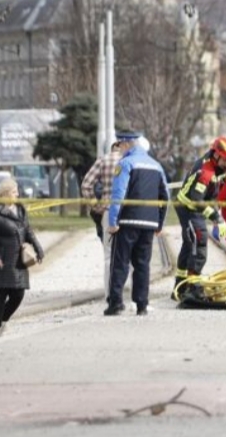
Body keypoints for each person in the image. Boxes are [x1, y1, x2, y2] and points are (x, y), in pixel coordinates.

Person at [104, 131, 169, 316]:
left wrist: (113, 221)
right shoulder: (157, 166)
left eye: (120, 146)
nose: (120, 149)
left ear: (126, 144)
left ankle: (115, 303)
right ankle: (142, 305)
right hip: (149, 223)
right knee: (142, 265)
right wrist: (160, 223)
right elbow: (165, 196)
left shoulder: (125, 164)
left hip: (127, 222)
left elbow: (119, 194)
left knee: (120, 263)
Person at [173, 136, 226, 294]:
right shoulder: (206, 171)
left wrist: (217, 214)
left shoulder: (218, 168)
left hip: (194, 207)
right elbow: (197, 200)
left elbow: (213, 194)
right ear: (216, 155)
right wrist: (216, 219)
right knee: (198, 244)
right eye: (225, 159)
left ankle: (179, 287)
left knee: (188, 245)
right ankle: (193, 287)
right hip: (189, 207)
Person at [0, 177, 44, 336]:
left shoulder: (20, 208)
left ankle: (3, 319)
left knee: (18, 293)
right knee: (0, 294)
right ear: (5, 194)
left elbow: (28, 230)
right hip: (1, 259)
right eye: (14, 192)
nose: (18, 194)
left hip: (18, 259)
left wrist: (38, 248)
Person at [80, 140, 123, 297]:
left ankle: (110, 294)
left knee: (108, 254)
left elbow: (86, 185)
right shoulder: (130, 160)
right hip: (129, 211)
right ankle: (132, 294)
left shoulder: (104, 160)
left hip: (108, 209)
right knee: (131, 255)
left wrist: (95, 206)